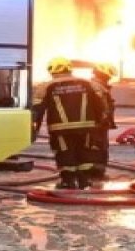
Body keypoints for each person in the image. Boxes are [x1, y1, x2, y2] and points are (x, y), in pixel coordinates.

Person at [32, 56, 107, 189]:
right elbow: (101, 104)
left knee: (65, 153)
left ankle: (68, 182)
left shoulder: (46, 86)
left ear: (52, 70)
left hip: (60, 128)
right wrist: (100, 123)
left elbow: (37, 109)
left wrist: (34, 128)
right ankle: (84, 181)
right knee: (84, 153)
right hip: (86, 127)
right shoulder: (88, 83)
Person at [90, 63, 118, 179]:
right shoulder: (97, 87)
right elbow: (101, 106)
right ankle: (95, 172)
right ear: (103, 75)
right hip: (97, 125)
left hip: (99, 124)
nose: (109, 79)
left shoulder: (98, 86)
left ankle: (97, 171)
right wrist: (103, 119)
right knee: (97, 148)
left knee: (99, 147)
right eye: (108, 76)